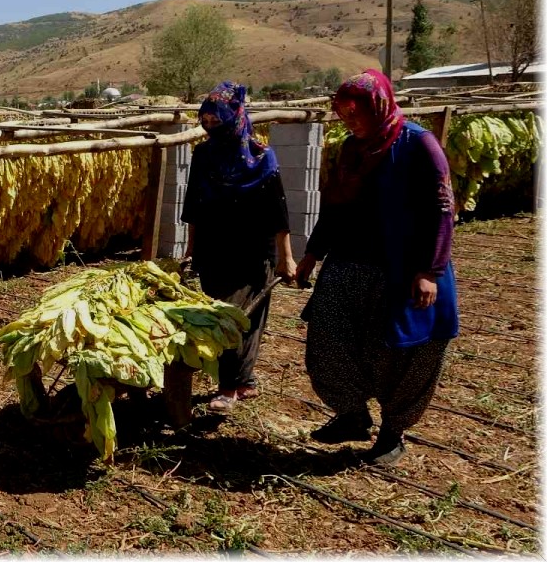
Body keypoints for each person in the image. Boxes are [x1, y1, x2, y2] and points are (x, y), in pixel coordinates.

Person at [295, 69, 459, 466]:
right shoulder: (352, 148)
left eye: (358, 115)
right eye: (345, 115)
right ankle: (352, 415)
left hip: (403, 268)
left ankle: (392, 432)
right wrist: (313, 254)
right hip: (349, 262)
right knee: (329, 340)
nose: (351, 123)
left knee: (397, 354)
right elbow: (335, 206)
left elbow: (442, 210)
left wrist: (430, 271)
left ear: (380, 106)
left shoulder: (419, 144)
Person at [182, 81, 297, 414]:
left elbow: (278, 211)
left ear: (235, 117)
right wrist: (191, 248)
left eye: (217, 121)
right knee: (224, 316)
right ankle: (238, 381)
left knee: (249, 317)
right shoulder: (203, 155)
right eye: (205, 122)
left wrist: (287, 257)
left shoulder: (261, 156)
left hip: (254, 249)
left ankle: (233, 385)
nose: (210, 128)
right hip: (214, 248)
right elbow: (194, 206)